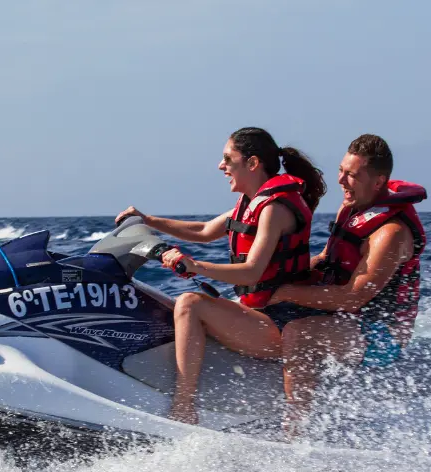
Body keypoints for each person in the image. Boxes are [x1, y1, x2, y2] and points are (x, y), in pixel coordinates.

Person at [115, 127, 326, 424]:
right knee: (175, 307)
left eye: (228, 158)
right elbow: (202, 232)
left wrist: (195, 266)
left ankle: (185, 407)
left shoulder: (274, 210)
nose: (220, 166)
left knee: (189, 304)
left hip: (279, 325)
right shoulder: (250, 204)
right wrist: (147, 220)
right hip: (258, 313)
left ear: (252, 163)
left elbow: (252, 270)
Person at [266, 134, 426, 425]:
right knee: (260, 302)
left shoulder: (390, 233)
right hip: (340, 317)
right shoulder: (352, 209)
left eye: (352, 175)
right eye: (341, 170)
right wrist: (272, 279)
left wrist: (286, 292)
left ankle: (295, 430)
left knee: (300, 333)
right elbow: (326, 258)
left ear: (378, 182)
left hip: (381, 335)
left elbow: (352, 298)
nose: (341, 180)